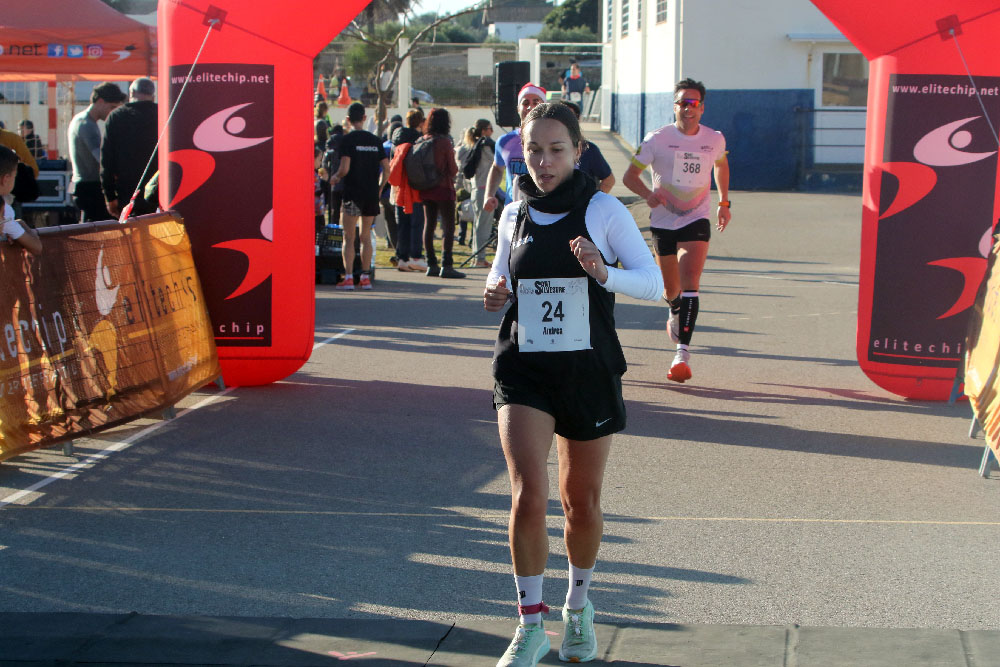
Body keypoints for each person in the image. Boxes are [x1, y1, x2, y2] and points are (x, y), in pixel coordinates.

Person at [483, 103, 661, 667]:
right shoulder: (515, 212)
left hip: (587, 371)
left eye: (556, 149)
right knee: (527, 494)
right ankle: (529, 626)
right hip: (525, 369)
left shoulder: (603, 210)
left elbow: (654, 283)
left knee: (579, 503)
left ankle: (578, 608)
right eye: (534, 150)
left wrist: (604, 273)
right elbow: (501, 274)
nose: (543, 161)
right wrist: (494, 291)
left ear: (578, 151)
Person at [622, 77, 731, 383]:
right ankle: (674, 308)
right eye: (682, 103)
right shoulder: (656, 139)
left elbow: (721, 165)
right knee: (671, 289)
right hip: (663, 222)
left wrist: (724, 202)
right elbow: (630, 176)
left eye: (693, 103)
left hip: (697, 218)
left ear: (702, 108)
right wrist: (648, 195)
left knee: (690, 281)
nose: (688, 108)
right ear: (675, 107)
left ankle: (682, 354)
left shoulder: (714, 139)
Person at [329, 102, 389, 291]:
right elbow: (387, 168)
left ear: (348, 119)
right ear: (364, 117)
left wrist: (335, 177)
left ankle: (348, 278)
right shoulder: (375, 140)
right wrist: (379, 188)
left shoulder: (347, 140)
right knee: (366, 236)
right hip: (370, 193)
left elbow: (344, 168)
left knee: (348, 237)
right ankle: (365, 277)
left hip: (353, 193)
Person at [484, 83, 546, 215]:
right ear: (518, 108)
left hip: (545, 211)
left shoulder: (555, 140)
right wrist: (489, 195)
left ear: (544, 106)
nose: (530, 107)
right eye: (525, 103)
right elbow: (497, 168)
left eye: (536, 102)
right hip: (514, 212)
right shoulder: (505, 141)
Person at [68, 82, 126, 223]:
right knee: (99, 229)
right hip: (90, 187)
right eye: (112, 107)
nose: (113, 112)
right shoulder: (87, 124)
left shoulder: (80, 120)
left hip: (81, 184)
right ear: (100, 101)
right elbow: (101, 159)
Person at [101, 77, 158, 219]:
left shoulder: (116, 117)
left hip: (127, 193)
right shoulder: (163, 114)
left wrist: (110, 196)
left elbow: (106, 161)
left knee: (131, 231)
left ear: (131, 93)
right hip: (158, 192)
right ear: (153, 95)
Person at [419, 108, 464, 279]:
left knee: (429, 224)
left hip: (426, 187)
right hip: (444, 188)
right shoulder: (444, 142)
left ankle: (431, 263)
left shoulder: (423, 140)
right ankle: (447, 264)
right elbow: (452, 169)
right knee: (448, 226)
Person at [390, 109, 428, 272]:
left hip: (399, 187)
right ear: (421, 122)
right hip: (415, 187)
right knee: (417, 223)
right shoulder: (419, 141)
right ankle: (416, 256)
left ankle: (402, 257)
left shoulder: (396, 141)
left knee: (402, 225)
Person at [560, 101, 615, 194]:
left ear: (578, 120)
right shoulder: (544, 149)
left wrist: (594, 200)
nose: (564, 121)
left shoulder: (589, 150)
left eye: (570, 117)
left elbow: (609, 180)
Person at [462, 119, 495, 268]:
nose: (491, 131)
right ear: (483, 131)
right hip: (485, 189)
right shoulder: (486, 146)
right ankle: (480, 258)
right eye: (490, 128)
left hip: (476, 189)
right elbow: (497, 162)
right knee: (484, 226)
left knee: (477, 224)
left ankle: (476, 257)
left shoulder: (474, 146)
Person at [0, 146, 42, 256]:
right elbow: (36, 247)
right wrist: (21, 223)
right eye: (15, 176)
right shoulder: (5, 211)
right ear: (5, 179)